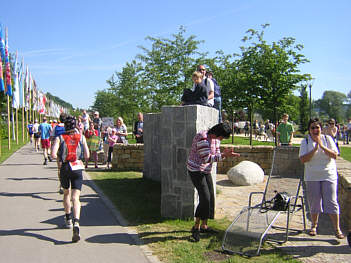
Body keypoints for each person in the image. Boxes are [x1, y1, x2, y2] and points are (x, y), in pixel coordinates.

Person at [187, 122, 240, 242]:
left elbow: (216, 154)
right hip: (195, 170)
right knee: (205, 198)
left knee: (210, 196)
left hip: (205, 169)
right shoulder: (203, 138)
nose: (221, 139)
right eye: (222, 137)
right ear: (216, 133)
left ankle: (204, 226)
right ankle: (196, 228)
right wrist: (223, 155)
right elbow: (207, 158)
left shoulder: (215, 139)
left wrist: (225, 155)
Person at [299, 118, 344, 239]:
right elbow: (303, 159)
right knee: (314, 202)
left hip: (328, 175)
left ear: (321, 128)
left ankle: (337, 229)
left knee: (331, 201)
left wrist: (322, 146)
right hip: (312, 176)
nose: (315, 130)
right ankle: (314, 226)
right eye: (312, 128)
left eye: (317, 127)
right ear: (309, 130)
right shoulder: (305, 142)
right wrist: (314, 149)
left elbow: (334, 155)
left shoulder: (327, 139)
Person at [51, 116, 89, 243]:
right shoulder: (81, 137)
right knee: (76, 197)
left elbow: (52, 154)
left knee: (66, 193)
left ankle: (68, 219)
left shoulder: (59, 138)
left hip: (65, 168)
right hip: (77, 167)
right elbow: (87, 155)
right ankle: (77, 223)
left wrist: (58, 156)